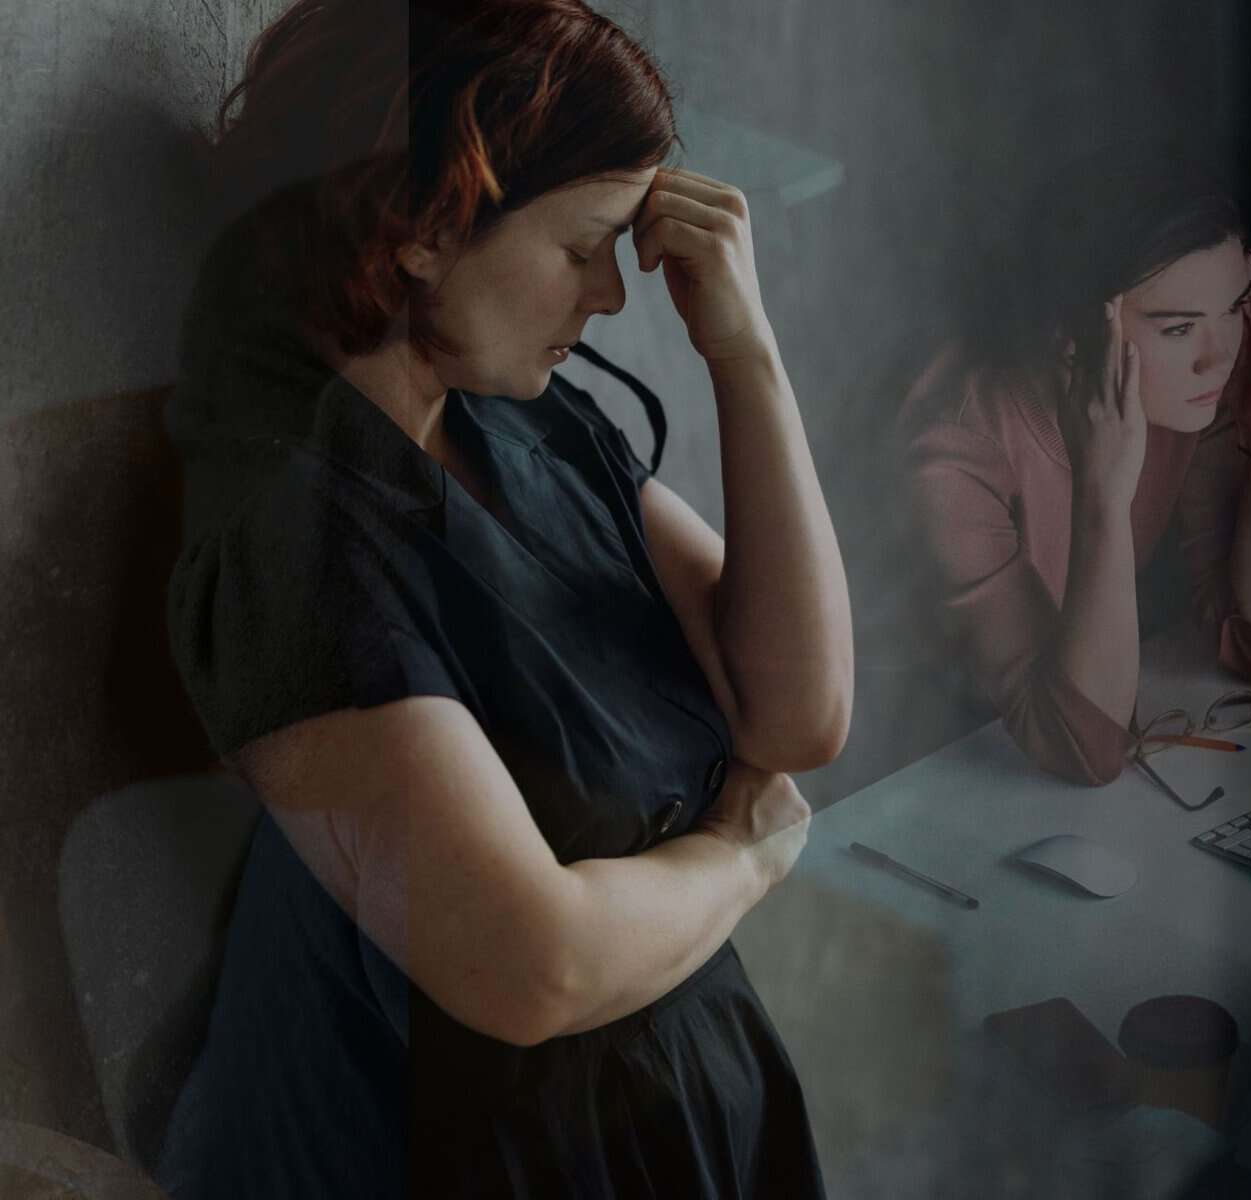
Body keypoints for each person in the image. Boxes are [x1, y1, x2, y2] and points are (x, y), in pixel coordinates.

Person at [153, 2, 851, 1196]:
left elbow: (796, 718)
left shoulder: (524, 419)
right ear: (425, 225)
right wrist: (740, 855)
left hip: (673, 1127)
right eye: (585, 247)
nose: (612, 297)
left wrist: (750, 357)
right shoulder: (292, 547)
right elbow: (532, 970)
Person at [902, 148, 1251, 786]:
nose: (1220, 357)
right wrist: (1103, 494)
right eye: (1179, 330)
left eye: (1234, 309)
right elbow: (1086, 747)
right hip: (927, 772)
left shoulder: (1192, 397)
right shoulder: (956, 455)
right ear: (1071, 334)